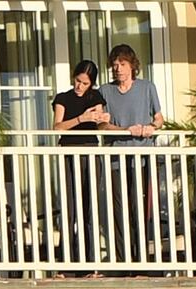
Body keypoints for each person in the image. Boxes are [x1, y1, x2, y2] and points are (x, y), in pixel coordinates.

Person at [98, 44, 164, 266]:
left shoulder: (147, 87)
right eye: (115, 65)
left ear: (132, 65)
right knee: (119, 208)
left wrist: (150, 127)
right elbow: (102, 125)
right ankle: (121, 259)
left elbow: (159, 118)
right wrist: (126, 130)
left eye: (122, 64)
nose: (118, 69)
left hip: (142, 157)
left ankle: (142, 259)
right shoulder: (105, 91)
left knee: (140, 207)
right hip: (116, 158)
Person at [52, 60, 109, 276]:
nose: (80, 86)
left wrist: (103, 119)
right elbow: (57, 127)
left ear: (91, 84)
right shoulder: (63, 98)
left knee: (89, 207)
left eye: (85, 83)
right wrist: (80, 118)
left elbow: (101, 126)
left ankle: (89, 264)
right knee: (69, 208)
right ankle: (66, 263)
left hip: (90, 151)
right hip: (68, 151)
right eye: (78, 81)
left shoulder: (95, 97)